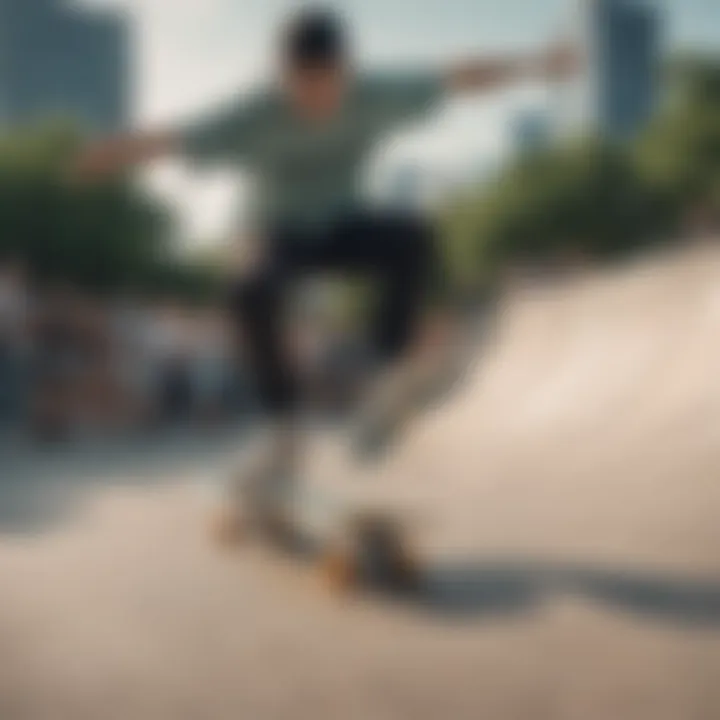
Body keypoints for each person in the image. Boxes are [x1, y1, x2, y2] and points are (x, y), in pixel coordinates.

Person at [73, 8, 579, 517]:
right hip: (280, 231)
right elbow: (172, 138)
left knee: (413, 237)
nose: (316, 99)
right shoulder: (253, 111)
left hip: (343, 224)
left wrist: (536, 65)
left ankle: (388, 379)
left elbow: (459, 76)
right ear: (281, 77)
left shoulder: (376, 93)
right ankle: (283, 427)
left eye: (328, 85)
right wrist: (104, 156)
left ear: (346, 71)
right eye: (302, 87)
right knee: (249, 291)